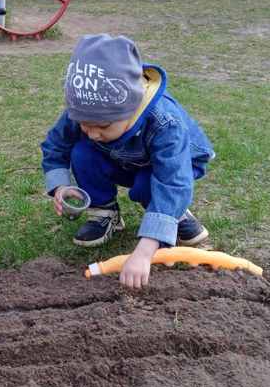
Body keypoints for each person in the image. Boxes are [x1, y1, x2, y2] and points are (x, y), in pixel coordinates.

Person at [41, 34, 214, 289]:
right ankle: (104, 213)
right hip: (123, 158)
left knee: (149, 186)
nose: (92, 132)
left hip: (173, 167)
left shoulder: (165, 123)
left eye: (102, 126)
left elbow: (173, 180)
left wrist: (145, 251)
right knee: (82, 152)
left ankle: (172, 215)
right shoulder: (85, 112)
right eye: (83, 124)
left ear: (131, 110)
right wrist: (60, 187)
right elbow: (56, 145)